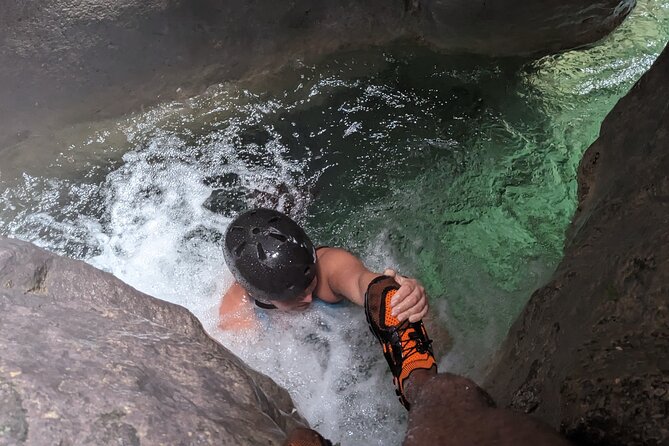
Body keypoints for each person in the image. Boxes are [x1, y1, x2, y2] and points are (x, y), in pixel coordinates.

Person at [219, 207, 436, 408]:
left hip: (355, 355)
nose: (306, 299)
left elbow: (364, 283)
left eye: (309, 283)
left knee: (415, 313)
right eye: (293, 297)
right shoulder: (237, 309)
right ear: (256, 294)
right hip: (323, 383)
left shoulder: (329, 267)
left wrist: (401, 291)